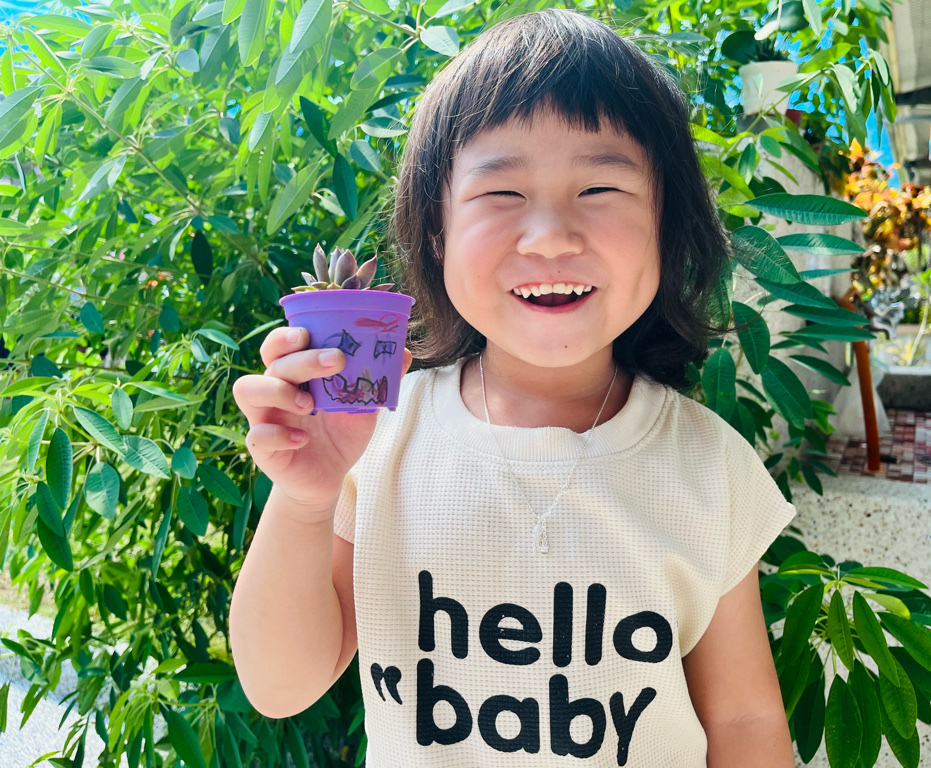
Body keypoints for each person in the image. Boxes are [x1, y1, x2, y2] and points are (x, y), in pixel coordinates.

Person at [229, 10, 796, 767]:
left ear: (668, 225)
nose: (550, 235)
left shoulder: (709, 467)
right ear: (436, 232)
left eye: (600, 186)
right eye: (501, 193)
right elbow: (280, 686)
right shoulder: (379, 445)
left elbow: (745, 721)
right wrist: (304, 500)